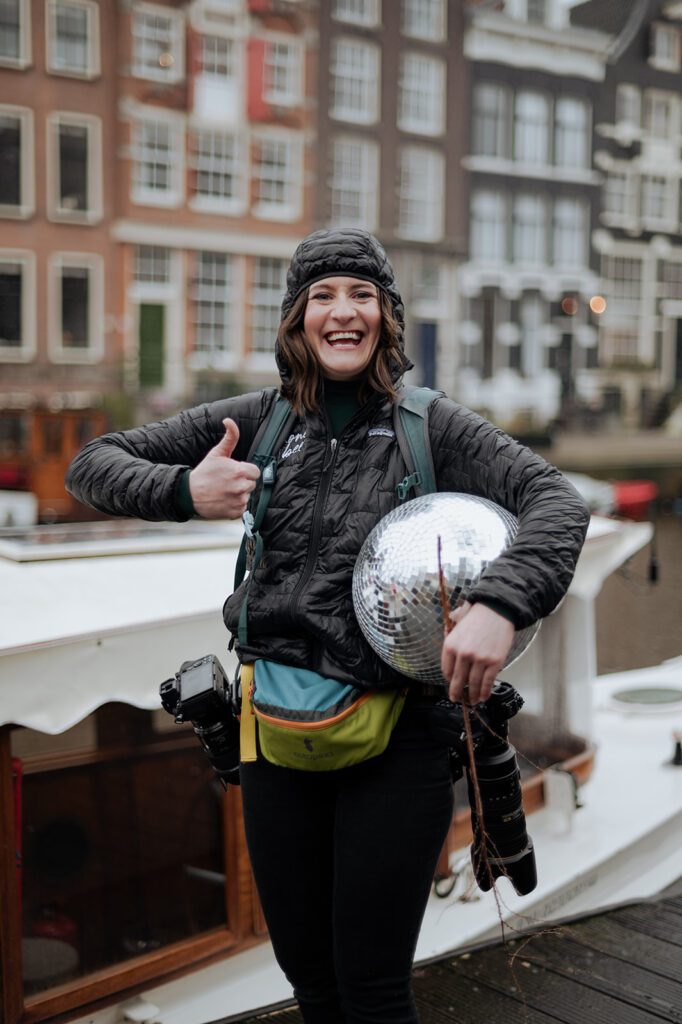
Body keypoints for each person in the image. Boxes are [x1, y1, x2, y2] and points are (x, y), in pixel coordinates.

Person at [66, 228, 589, 1024]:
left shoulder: (432, 426)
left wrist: (500, 604)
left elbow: (557, 501)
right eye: (323, 296)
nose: (343, 311)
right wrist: (183, 490)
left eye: (362, 295)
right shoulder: (259, 420)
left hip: (401, 740)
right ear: (297, 319)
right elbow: (92, 463)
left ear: (386, 316)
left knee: (372, 990)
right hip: (273, 733)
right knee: (309, 980)